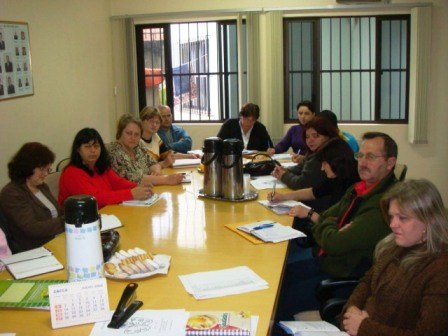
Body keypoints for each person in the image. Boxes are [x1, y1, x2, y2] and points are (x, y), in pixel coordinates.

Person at [275, 132, 398, 319]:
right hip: (326, 259)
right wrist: (332, 225)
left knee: (276, 304)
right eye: (361, 156)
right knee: (277, 276)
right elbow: (326, 216)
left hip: (342, 274)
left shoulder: (383, 203)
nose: (363, 163)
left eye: (371, 157)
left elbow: (334, 243)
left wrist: (328, 226)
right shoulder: (359, 188)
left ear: (390, 163)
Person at [341, 179, 448, 336]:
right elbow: (367, 282)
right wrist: (352, 310)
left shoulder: (441, 269)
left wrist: (365, 328)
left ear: (429, 220)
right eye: (392, 216)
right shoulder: (394, 246)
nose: (392, 224)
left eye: (403, 218)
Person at [59, 128, 154, 209]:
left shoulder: (100, 166)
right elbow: (94, 200)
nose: (93, 150)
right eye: (87, 147)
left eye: (96, 146)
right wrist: (131, 194)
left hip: (106, 213)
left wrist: (138, 187)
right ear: (78, 150)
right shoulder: (71, 173)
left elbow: (118, 183)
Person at [0, 143, 64, 252]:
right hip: (35, 249)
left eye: (48, 169)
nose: (45, 174)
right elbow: (32, 228)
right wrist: (65, 222)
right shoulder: (11, 193)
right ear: (27, 166)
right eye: (42, 169)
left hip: (56, 240)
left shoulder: (42, 186)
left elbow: (58, 212)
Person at [268, 137, 359, 213]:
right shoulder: (338, 176)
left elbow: (337, 223)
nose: (322, 168)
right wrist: (283, 197)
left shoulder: (353, 186)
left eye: (324, 163)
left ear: (336, 162)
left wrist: (309, 214)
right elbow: (312, 192)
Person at [109, 114, 184, 185]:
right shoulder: (115, 151)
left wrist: (156, 170)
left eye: (137, 134)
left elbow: (153, 163)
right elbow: (135, 179)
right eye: (129, 133)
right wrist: (166, 179)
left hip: (145, 190)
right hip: (127, 195)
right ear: (120, 132)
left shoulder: (138, 145)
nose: (133, 137)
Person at [271, 117, 339, 194]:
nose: (310, 140)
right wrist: (286, 170)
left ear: (328, 136)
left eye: (315, 136)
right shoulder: (314, 151)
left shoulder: (325, 154)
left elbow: (301, 184)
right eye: (307, 137)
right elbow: (302, 166)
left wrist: (283, 175)